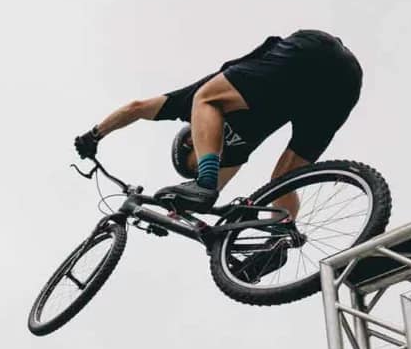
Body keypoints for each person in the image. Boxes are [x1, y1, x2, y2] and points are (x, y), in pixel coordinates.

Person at [76, 30, 363, 224]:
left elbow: (135, 109)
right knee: (283, 181)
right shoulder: (230, 158)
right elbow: (203, 202)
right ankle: (280, 239)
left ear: (191, 141)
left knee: (206, 98)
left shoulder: (186, 104)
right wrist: (173, 215)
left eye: (196, 162)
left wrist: (95, 134)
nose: (210, 156)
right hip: (342, 85)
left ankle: (211, 184)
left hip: (310, 52)